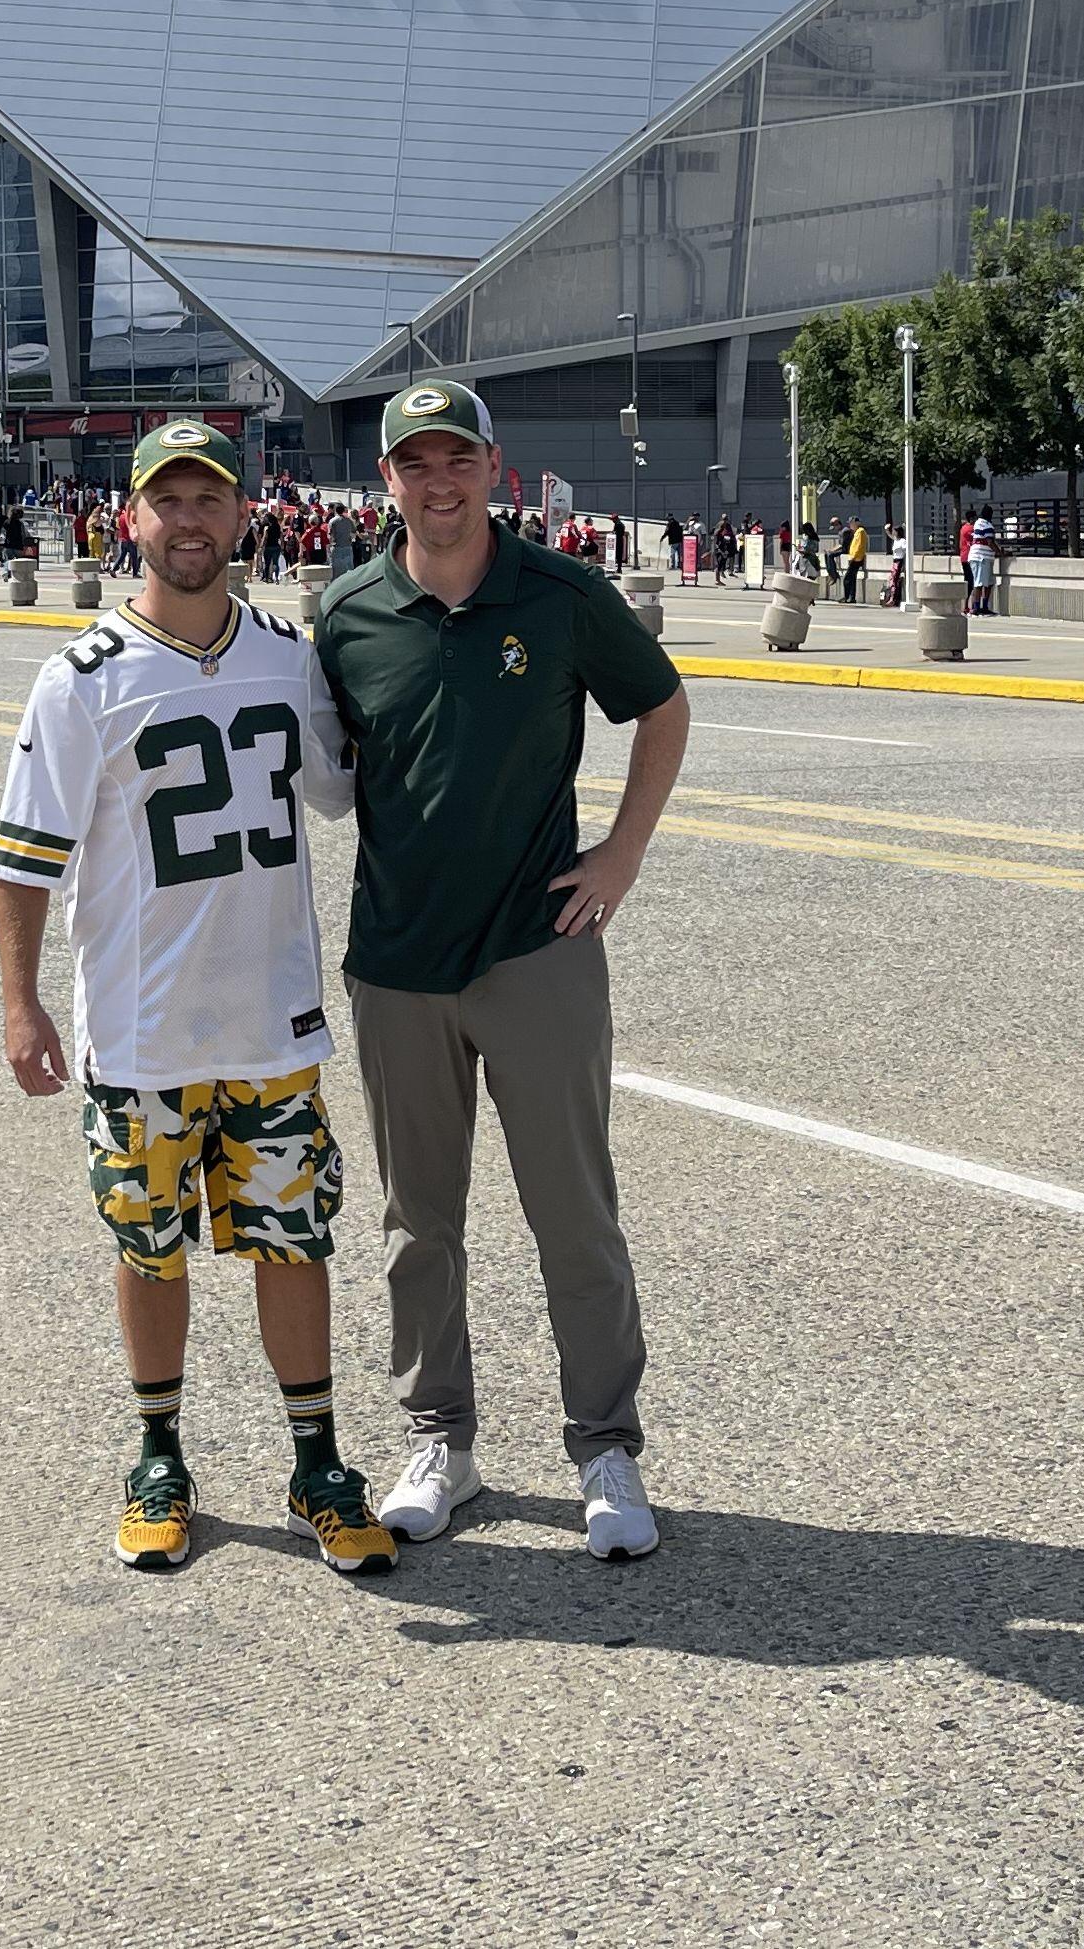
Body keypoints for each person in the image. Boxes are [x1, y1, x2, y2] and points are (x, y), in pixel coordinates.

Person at [0, 420, 394, 1578]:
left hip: (272, 1020)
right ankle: (159, 1455)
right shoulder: (80, 682)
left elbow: (348, 790)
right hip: (142, 1030)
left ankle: (317, 1464)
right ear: (131, 519)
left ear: (242, 514)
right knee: (149, 1247)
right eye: (166, 501)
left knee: (293, 1241)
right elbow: (21, 860)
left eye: (208, 498)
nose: (188, 521)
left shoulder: (288, 658)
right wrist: (21, 1004)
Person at [316, 379, 690, 1563]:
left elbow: (663, 707)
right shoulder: (346, 614)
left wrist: (621, 855)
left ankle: (605, 1447)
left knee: (573, 1215)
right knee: (417, 1222)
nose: (439, 483)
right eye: (415, 463)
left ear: (493, 466)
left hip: (538, 953)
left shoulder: (561, 594)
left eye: (457, 460)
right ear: (387, 479)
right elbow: (317, 771)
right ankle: (443, 1439)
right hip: (399, 965)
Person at [842, 518, 868, 605]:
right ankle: (851, 597)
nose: (850, 525)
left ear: (856, 523)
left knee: (847, 578)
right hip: (855, 558)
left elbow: (859, 545)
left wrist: (853, 557)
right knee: (852, 579)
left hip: (856, 559)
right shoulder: (857, 532)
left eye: (851, 523)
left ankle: (848, 596)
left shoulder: (860, 531)